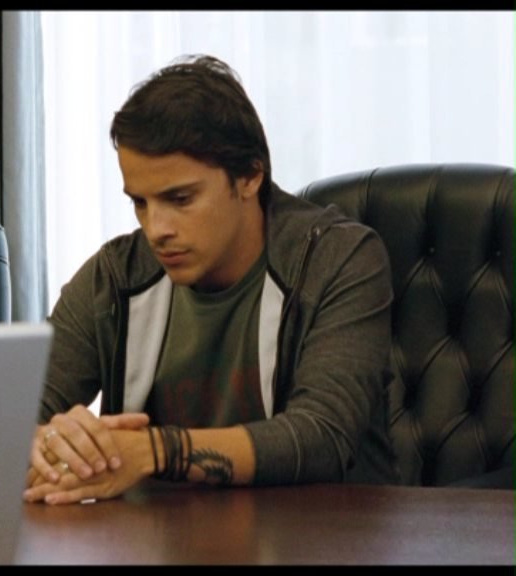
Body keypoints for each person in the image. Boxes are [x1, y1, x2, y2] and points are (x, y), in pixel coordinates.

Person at [24, 54, 399, 505]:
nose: (156, 229)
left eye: (180, 199)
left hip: (321, 530)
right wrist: (50, 443)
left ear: (250, 177)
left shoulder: (338, 260)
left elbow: (321, 436)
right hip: (151, 535)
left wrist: (154, 452)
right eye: (140, 203)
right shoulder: (115, 277)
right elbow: (13, 424)